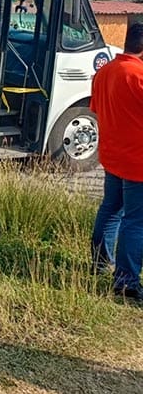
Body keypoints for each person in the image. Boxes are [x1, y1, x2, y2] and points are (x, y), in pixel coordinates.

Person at [90, 22, 143, 300]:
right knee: (136, 222)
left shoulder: (105, 72)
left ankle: (99, 264)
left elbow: (97, 110)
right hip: (138, 162)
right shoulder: (139, 76)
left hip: (113, 157)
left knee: (111, 210)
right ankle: (126, 282)